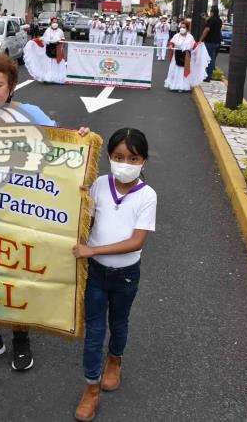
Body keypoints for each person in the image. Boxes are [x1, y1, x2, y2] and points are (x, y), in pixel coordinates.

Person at [0, 53, 89, 372]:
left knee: (19, 276)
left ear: (11, 88)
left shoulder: (30, 114)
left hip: (22, 214)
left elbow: (60, 149)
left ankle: (22, 338)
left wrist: (79, 140)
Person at [72, 128, 156, 422]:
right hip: (96, 274)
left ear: (143, 161)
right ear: (109, 156)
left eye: (133, 158)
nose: (125, 163)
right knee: (94, 332)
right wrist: (79, 142)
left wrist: (92, 250)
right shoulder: (97, 184)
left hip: (126, 276)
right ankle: (91, 389)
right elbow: (85, 215)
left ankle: (115, 360)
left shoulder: (147, 196)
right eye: (118, 157)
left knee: (118, 323)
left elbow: (137, 241)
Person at [23, 17, 66, 83]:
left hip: (57, 50)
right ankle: (48, 77)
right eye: (53, 22)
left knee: (56, 64)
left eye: (56, 22)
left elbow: (63, 40)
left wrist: (59, 42)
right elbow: (43, 39)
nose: (55, 23)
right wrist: (35, 41)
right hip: (48, 49)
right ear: (51, 23)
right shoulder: (47, 30)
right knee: (49, 64)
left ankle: (57, 78)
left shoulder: (60, 31)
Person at [164, 20, 196, 92]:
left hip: (185, 58)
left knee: (182, 71)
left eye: (184, 27)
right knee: (174, 70)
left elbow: (194, 46)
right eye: (181, 27)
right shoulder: (176, 35)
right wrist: (170, 45)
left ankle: (182, 86)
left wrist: (198, 46)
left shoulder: (190, 37)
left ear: (187, 29)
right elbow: (171, 42)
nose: (182, 29)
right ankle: (173, 85)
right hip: (175, 57)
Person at [198, 6, 223, 82]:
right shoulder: (219, 20)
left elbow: (207, 29)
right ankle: (209, 75)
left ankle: (207, 77)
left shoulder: (211, 20)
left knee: (208, 59)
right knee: (213, 59)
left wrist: (200, 39)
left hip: (210, 42)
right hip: (217, 42)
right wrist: (206, 18)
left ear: (212, 12)